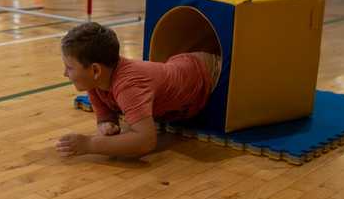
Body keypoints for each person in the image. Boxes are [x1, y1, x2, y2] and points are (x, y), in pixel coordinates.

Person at [56, 22, 221, 158]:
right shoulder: (95, 82)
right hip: (182, 66)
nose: (64, 73)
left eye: (69, 68)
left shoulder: (129, 86)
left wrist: (89, 144)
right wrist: (107, 122)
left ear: (95, 70)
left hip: (208, 71)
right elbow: (105, 113)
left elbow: (146, 141)